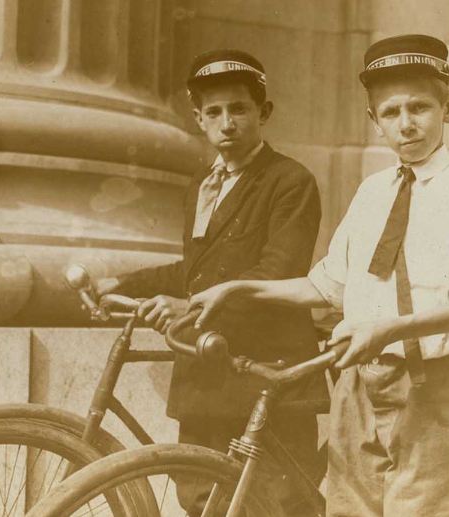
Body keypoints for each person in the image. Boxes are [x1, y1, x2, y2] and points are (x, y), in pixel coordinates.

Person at [185, 34, 449, 516]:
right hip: (355, 386)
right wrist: (235, 288)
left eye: (419, 107)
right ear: (374, 122)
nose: (407, 124)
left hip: (430, 389)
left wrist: (388, 329)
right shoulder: (372, 192)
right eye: (391, 112)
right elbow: (323, 286)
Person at [94, 49, 327, 514]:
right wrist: (122, 282)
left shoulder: (290, 181)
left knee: (275, 504)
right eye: (214, 112)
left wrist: (190, 308)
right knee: (201, 500)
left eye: (239, 109)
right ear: (198, 118)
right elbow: (196, 269)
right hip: (207, 370)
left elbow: (274, 273)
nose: (228, 123)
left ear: (264, 113)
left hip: (266, 373)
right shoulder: (202, 185)